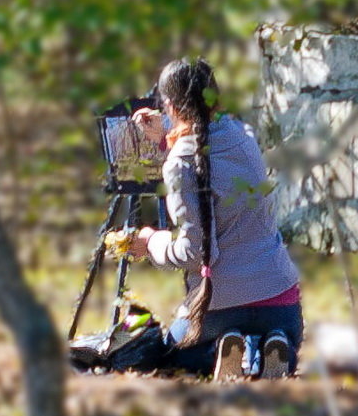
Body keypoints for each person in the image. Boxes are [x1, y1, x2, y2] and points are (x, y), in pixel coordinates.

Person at [128, 57, 302, 379]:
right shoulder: (244, 136)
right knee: (279, 337)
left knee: (176, 352)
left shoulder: (180, 163)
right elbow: (207, 144)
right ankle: (273, 348)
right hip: (279, 297)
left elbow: (194, 252)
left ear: (169, 105)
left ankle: (222, 347)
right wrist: (167, 131)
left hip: (216, 305)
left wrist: (152, 241)